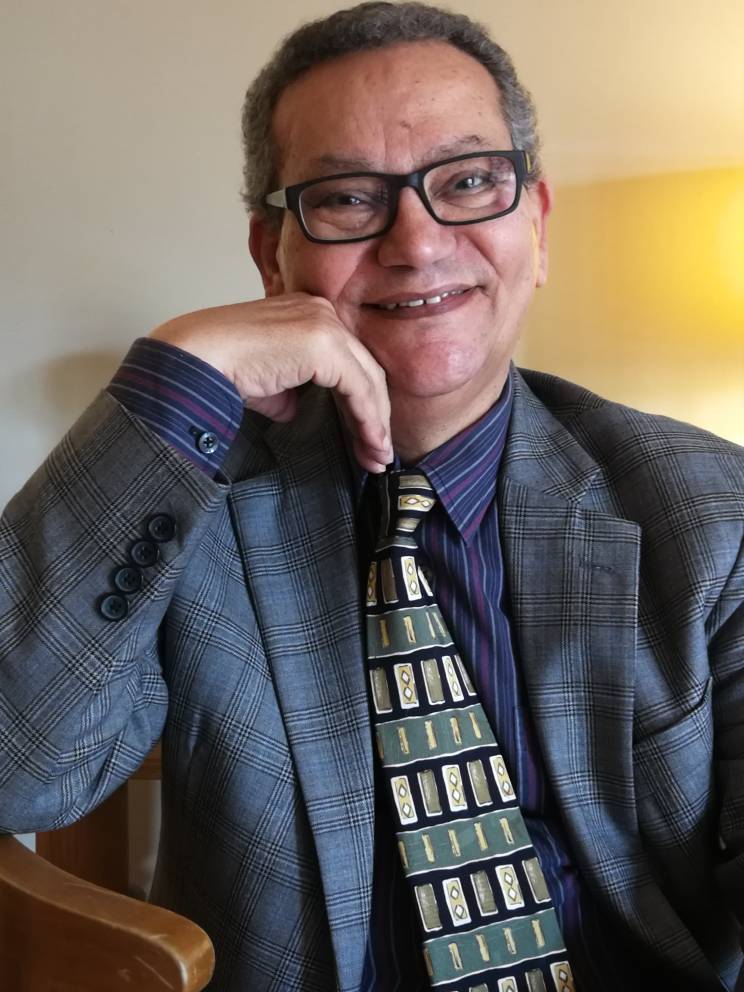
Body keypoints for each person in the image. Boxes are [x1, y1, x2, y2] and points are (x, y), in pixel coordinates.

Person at [1, 3, 742, 990]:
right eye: (349, 198)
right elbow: (18, 765)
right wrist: (181, 372)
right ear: (272, 254)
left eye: (468, 181)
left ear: (536, 225)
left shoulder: (706, 505)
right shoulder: (186, 502)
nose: (418, 241)